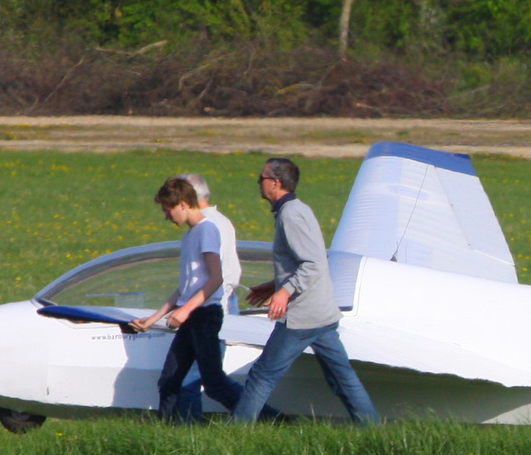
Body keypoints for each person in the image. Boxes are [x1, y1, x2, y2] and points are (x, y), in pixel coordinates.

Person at [233, 157, 379, 424]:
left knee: (262, 376)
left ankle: (235, 433)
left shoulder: (291, 215)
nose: (259, 184)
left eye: (261, 179)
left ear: (275, 183)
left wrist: (285, 291)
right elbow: (308, 260)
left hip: (302, 318)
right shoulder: (297, 210)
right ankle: (373, 431)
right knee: (343, 379)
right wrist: (273, 286)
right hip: (322, 314)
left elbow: (312, 262)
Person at [128, 177, 243, 422]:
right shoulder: (190, 235)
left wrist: (185, 311)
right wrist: (154, 318)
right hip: (192, 315)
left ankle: (265, 417)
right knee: (169, 378)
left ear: (182, 204)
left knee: (213, 383)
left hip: (205, 316)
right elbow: (185, 288)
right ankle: (171, 430)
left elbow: (216, 279)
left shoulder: (207, 229)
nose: (166, 216)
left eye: (167, 210)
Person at [180, 173, 241, 313]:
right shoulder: (222, 220)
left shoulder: (204, 225)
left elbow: (215, 275)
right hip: (226, 296)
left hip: (212, 303)